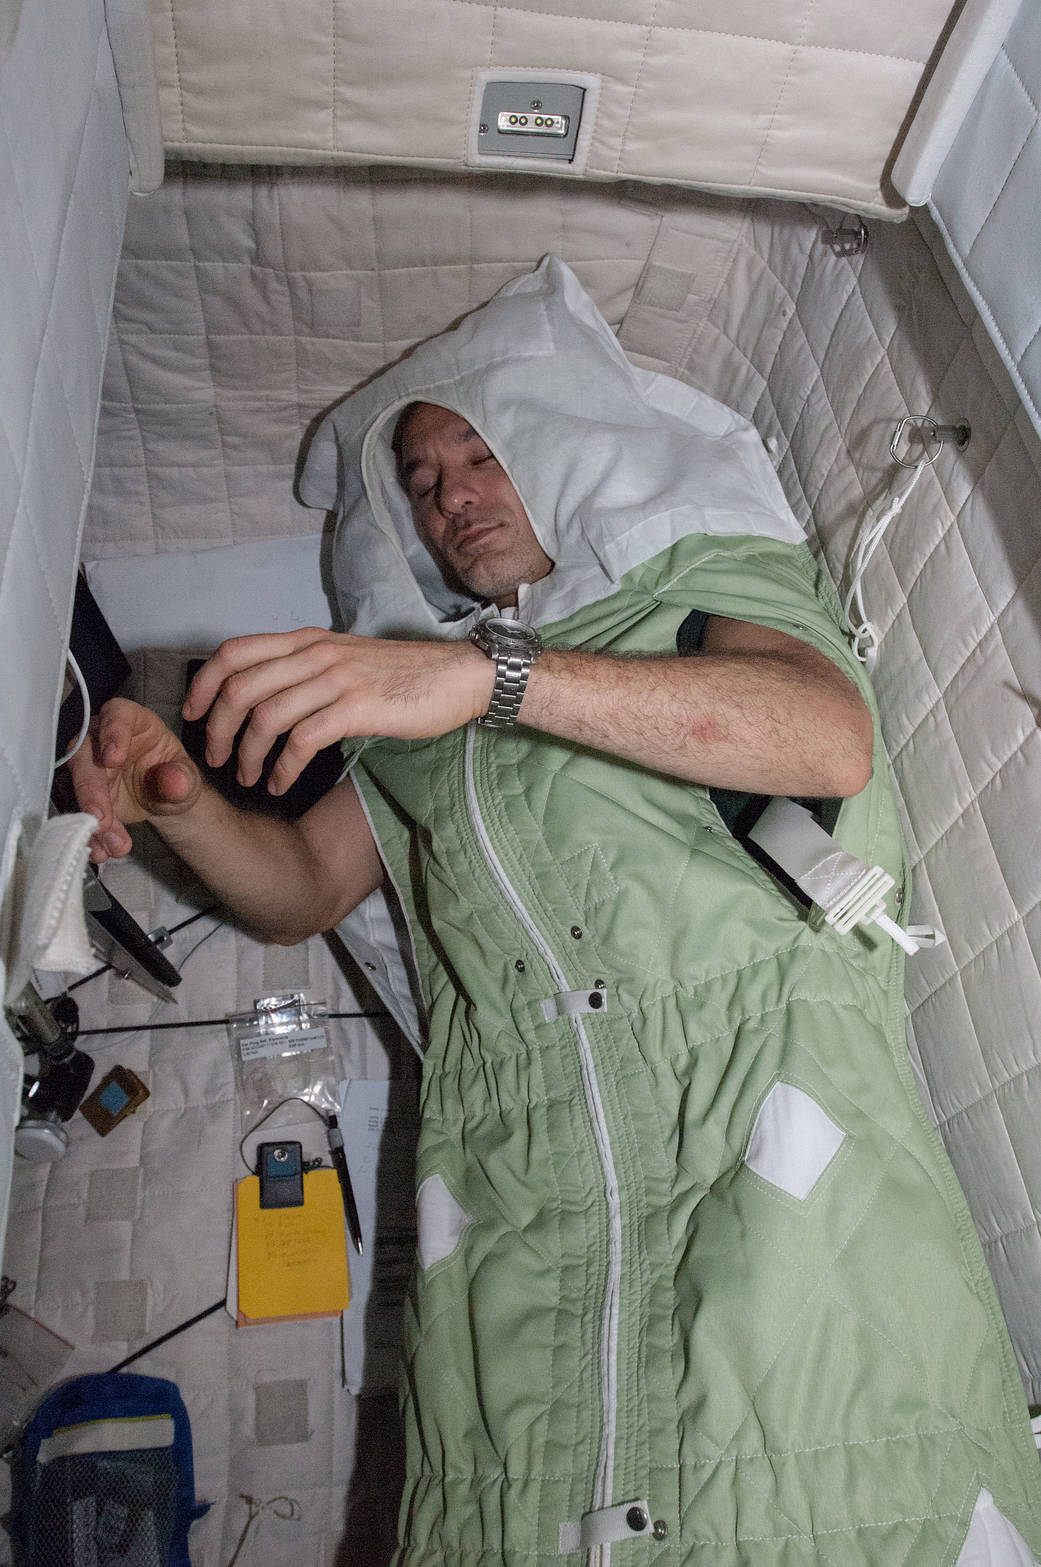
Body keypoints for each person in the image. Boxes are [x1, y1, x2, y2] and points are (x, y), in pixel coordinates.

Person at [73, 260, 1041, 1566]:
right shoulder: (420, 716)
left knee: (817, 1487)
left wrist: (490, 678)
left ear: (563, 447)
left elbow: (821, 743)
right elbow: (301, 892)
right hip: (512, 1195)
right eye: (418, 485)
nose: (452, 495)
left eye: (480, 451)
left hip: (753, 1121)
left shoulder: (693, 584)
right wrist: (180, 803)